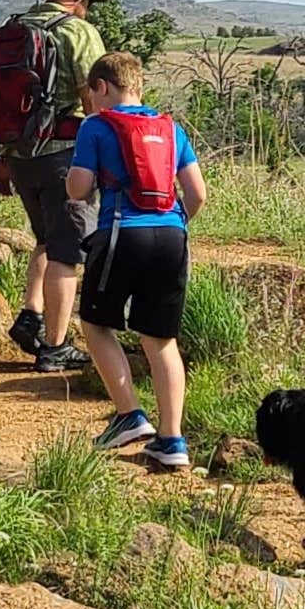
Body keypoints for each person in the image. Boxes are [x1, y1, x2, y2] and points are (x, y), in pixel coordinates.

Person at [63, 50, 206, 472]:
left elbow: (78, 188)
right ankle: (172, 440)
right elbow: (197, 194)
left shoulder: (96, 126)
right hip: (173, 235)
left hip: (122, 231)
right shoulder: (171, 128)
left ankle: (129, 415)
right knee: (161, 340)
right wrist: (173, 223)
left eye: (91, 93)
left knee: (95, 322)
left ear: (102, 87)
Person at [0, 0, 109, 373]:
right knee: (67, 252)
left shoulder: (9, 33)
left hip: (19, 155)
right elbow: (96, 98)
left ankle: (31, 315)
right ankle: (55, 346)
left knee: (47, 237)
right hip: (64, 154)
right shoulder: (77, 32)